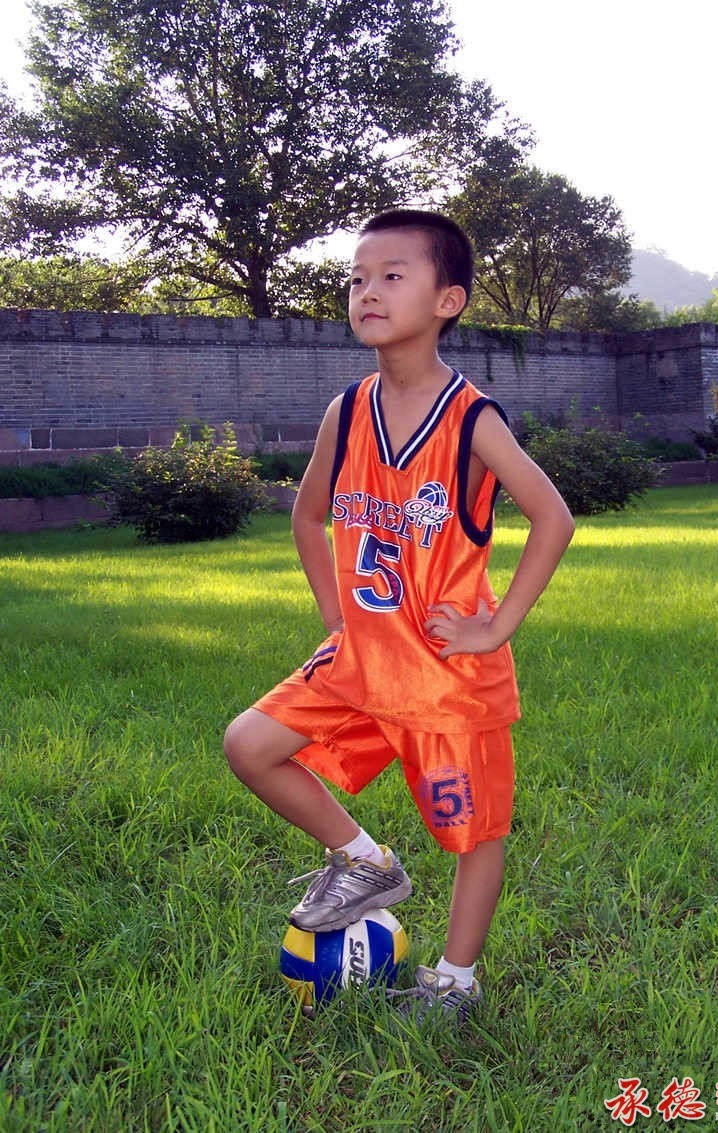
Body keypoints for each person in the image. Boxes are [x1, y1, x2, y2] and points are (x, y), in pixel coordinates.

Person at [223, 208, 574, 1022]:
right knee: (249, 743)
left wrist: (496, 625)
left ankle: (454, 981)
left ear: (447, 299)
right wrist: (335, 612)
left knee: (474, 834)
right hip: (364, 658)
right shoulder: (346, 412)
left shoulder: (472, 419)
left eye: (391, 275)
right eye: (356, 278)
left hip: (449, 674)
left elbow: (552, 518)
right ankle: (364, 859)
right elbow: (308, 517)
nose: (367, 292)